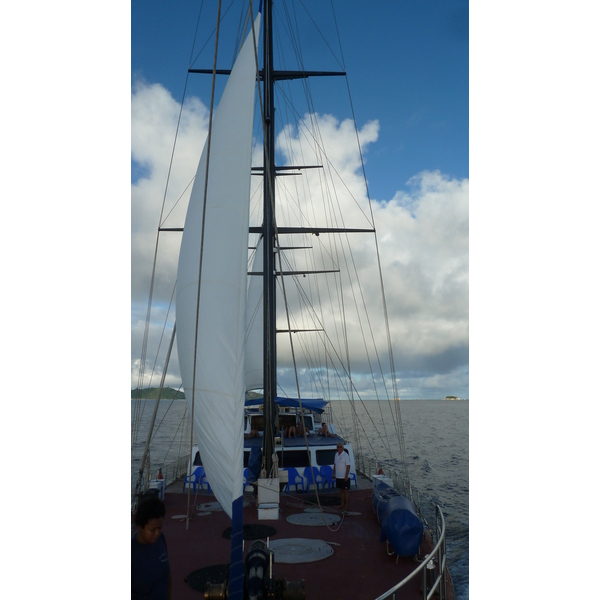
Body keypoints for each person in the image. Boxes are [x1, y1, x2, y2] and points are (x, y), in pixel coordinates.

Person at [132, 495, 172, 599]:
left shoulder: (160, 539)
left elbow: (167, 576)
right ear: (140, 527)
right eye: (152, 530)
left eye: (160, 528)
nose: (157, 533)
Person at [332, 443, 351, 510]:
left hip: (344, 477)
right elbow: (335, 464)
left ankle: (347, 505)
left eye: (340, 447)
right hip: (338, 476)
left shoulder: (345, 455)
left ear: (342, 448)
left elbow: (348, 466)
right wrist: (333, 473)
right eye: (338, 447)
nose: (339, 448)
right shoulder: (336, 454)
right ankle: (342, 504)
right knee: (341, 491)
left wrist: (346, 475)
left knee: (346, 491)